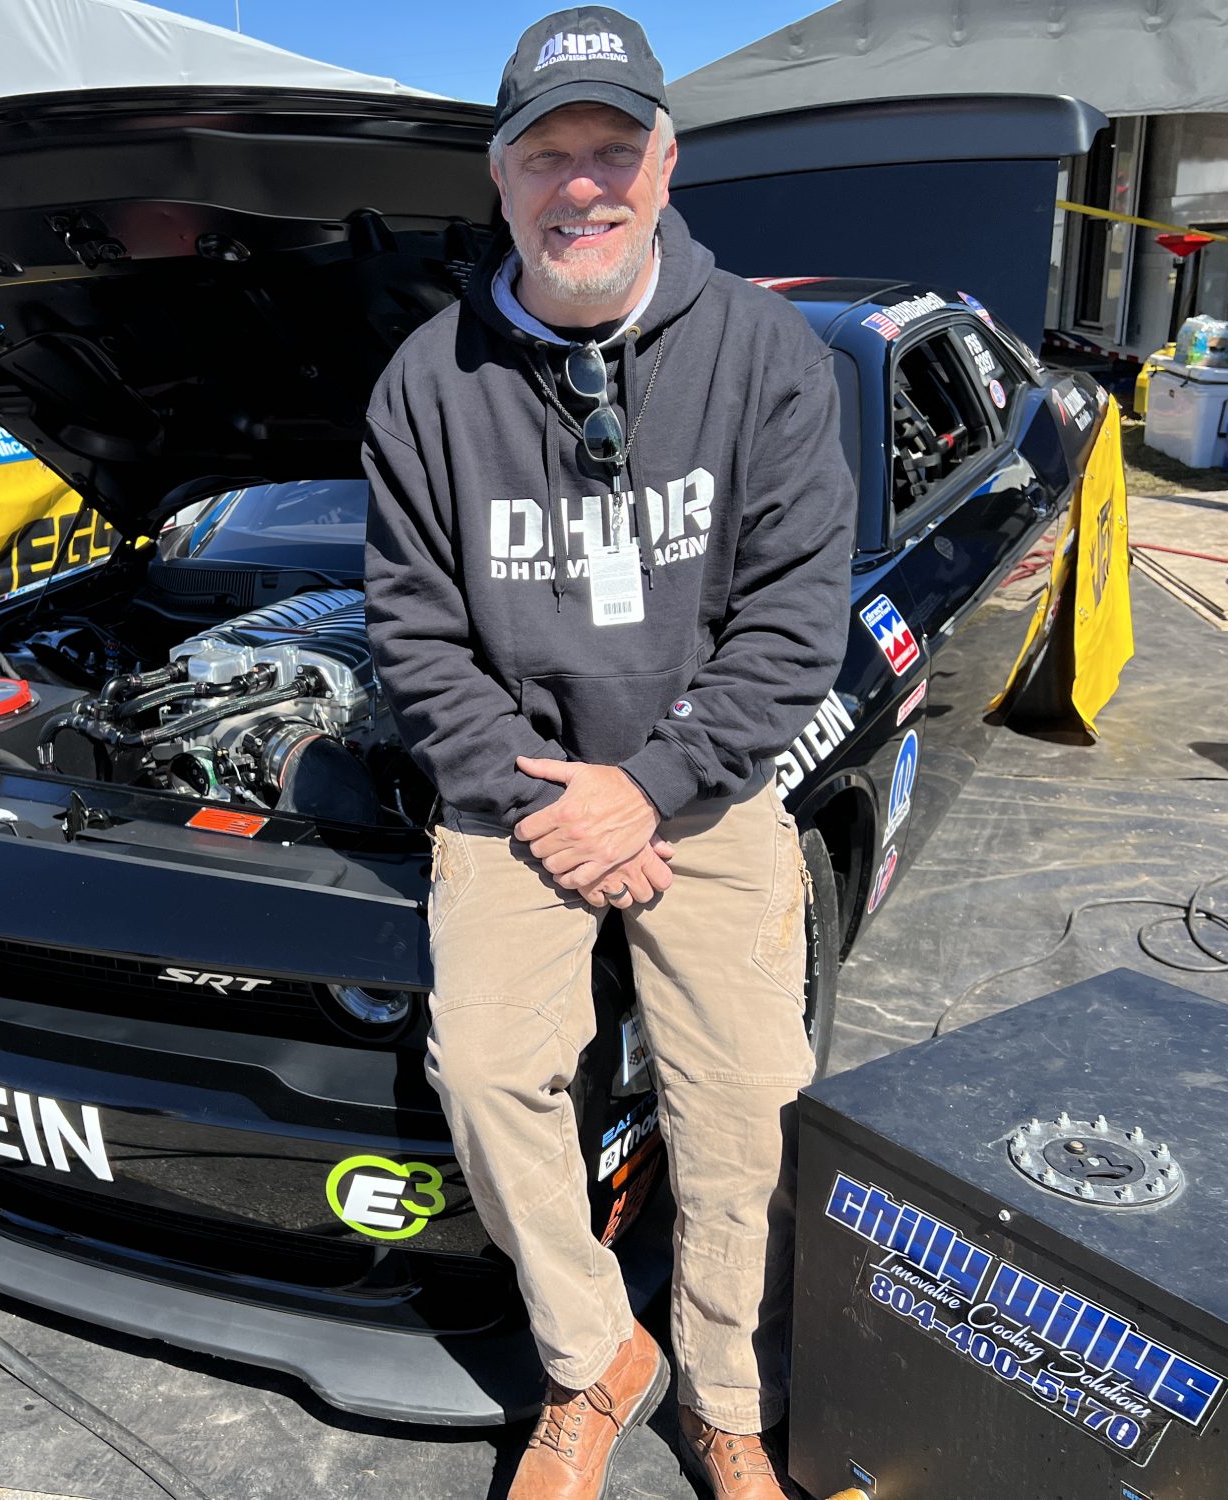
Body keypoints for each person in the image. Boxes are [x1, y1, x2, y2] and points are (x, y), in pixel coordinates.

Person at [361, 8, 854, 1498]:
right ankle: (594, 1360)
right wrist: (542, 797)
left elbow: (796, 618)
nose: (584, 186)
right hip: (511, 791)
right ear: (499, 182)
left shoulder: (766, 354)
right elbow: (413, 636)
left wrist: (650, 789)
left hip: (702, 785)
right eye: (548, 155)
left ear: (667, 160)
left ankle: (723, 1396)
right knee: (492, 1077)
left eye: (613, 150)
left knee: (748, 1098)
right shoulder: (424, 383)